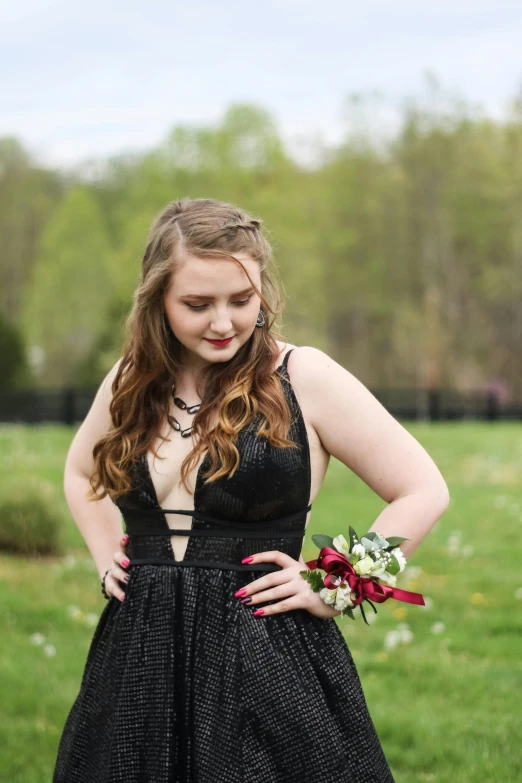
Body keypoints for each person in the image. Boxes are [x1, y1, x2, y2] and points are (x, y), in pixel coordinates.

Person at [53, 197, 450, 782]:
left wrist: (336, 584)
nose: (223, 322)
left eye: (242, 300)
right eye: (197, 304)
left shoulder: (303, 376)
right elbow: (81, 473)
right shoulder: (132, 380)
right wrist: (105, 554)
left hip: (264, 654)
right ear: (157, 299)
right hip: (139, 655)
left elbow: (423, 489)